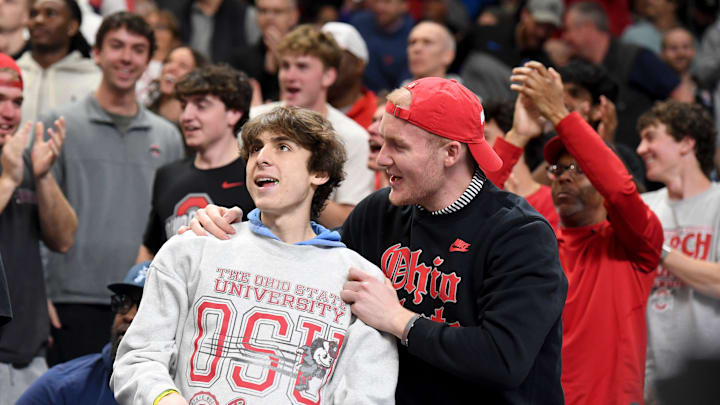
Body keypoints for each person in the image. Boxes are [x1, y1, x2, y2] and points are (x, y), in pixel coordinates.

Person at [188, 77, 568, 404]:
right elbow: (308, 266)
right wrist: (245, 228)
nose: (380, 159)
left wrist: (399, 321)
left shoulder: (519, 234)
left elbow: (504, 360)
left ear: (451, 152)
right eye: (383, 143)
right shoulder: (379, 212)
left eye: (398, 147)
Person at [111, 106, 398, 405]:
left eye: (283, 147)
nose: (261, 158)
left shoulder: (361, 281)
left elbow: (368, 395)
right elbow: (138, 359)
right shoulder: (193, 248)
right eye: (255, 148)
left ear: (319, 172)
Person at [511, 60, 664, 405]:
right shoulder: (537, 242)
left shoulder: (636, 246)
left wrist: (559, 113)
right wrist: (518, 135)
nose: (564, 176)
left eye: (577, 169)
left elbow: (620, 191)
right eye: (558, 169)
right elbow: (473, 210)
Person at [40, 12, 185, 366]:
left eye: (138, 50)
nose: (126, 58)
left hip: (143, 301)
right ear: (97, 53)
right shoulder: (60, 124)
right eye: (116, 46)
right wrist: (37, 293)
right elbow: (35, 218)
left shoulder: (167, 136)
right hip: (70, 298)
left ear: (149, 60)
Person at [0, 52, 77, 404]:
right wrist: (8, 181)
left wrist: (42, 176)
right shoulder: (12, 168)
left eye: (17, 101)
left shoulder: (21, 158)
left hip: (30, 357)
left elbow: (63, 238)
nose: (10, 112)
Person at [635, 101, 720, 403]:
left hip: (710, 380)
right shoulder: (643, 207)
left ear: (686, 142)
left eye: (651, 136)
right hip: (650, 381)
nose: (641, 148)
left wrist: (657, 247)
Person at [251, 24, 374, 229]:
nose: (289, 76)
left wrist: (301, 186)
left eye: (302, 66)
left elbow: (351, 221)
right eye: (285, 66)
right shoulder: (256, 120)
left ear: (328, 76)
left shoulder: (353, 137)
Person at [137, 64, 255, 262]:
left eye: (201, 106)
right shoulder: (168, 175)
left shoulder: (256, 174)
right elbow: (150, 250)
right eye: (184, 106)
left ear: (233, 112)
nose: (187, 116)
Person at [562, 1, 692, 149]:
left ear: (587, 28)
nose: (565, 37)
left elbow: (681, 94)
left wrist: (675, 144)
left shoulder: (634, 58)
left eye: (568, 30)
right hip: (606, 160)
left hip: (643, 161)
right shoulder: (581, 69)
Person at [16, 261, 149, 405]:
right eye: (124, 302)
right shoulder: (65, 386)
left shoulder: (174, 387)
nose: (129, 315)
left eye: (145, 305)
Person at [459, 0, 563, 102]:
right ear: (525, 14)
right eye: (539, 24)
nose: (541, 33)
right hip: (462, 103)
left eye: (550, 28)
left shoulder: (544, 68)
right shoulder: (485, 34)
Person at [17, 0, 100, 123]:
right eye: (33, 14)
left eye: (50, 14)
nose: (38, 20)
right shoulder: (12, 73)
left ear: (72, 27)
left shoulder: (95, 81)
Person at [231, 0, 299, 103]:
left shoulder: (306, 57)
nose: (269, 17)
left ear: (293, 16)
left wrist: (282, 61)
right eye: (263, 11)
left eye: (277, 11)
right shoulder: (240, 59)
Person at [350, 0, 414, 93]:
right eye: (376, 1)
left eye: (387, 2)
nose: (380, 7)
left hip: (393, 98)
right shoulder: (360, 23)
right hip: (357, 95)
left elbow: (407, 81)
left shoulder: (413, 37)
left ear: (404, 5)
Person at [323, 21, 377, 130]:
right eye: (321, 57)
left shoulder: (377, 115)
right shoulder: (301, 107)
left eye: (336, 56)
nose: (326, 63)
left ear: (359, 64)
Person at [147, 46, 208, 126]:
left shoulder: (195, 128)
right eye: (168, 61)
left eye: (183, 66)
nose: (171, 68)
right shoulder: (142, 114)